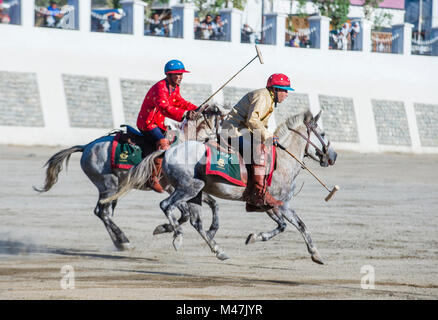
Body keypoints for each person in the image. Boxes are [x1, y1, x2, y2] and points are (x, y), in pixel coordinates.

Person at [221, 74, 295, 211]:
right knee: (259, 150)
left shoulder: (269, 99)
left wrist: (268, 136)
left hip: (245, 130)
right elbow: (253, 121)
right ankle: (259, 195)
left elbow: (259, 124)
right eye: (284, 90)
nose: (286, 94)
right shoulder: (263, 97)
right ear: (275, 89)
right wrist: (267, 136)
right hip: (234, 130)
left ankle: (253, 192)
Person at [137, 59, 199, 193]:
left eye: (182, 74)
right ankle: (152, 179)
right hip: (148, 123)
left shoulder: (174, 87)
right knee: (164, 144)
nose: (180, 77)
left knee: (176, 140)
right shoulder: (160, 88)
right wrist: (185, 114)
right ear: (168, 75)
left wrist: (198, 109)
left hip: (159, 123)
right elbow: (164, 107)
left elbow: (180, 102)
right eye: (177, 74)